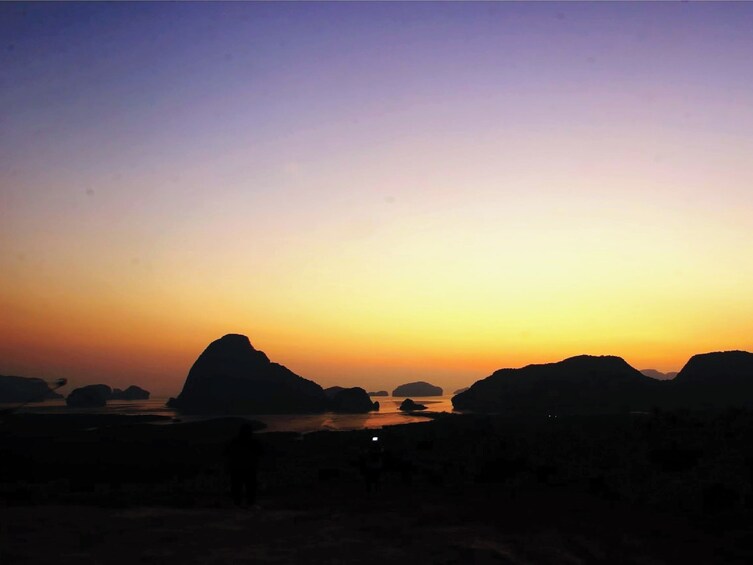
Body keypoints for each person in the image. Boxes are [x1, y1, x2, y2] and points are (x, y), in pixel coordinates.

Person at [225, 423, 263, 507]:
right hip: (249, 468)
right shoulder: (254, 442)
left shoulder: (234, 441)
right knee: (249, 487)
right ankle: (248, 504)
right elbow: (260, 453)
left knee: (238, 487)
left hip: (237, 468)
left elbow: (228, 453)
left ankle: (238, 503)